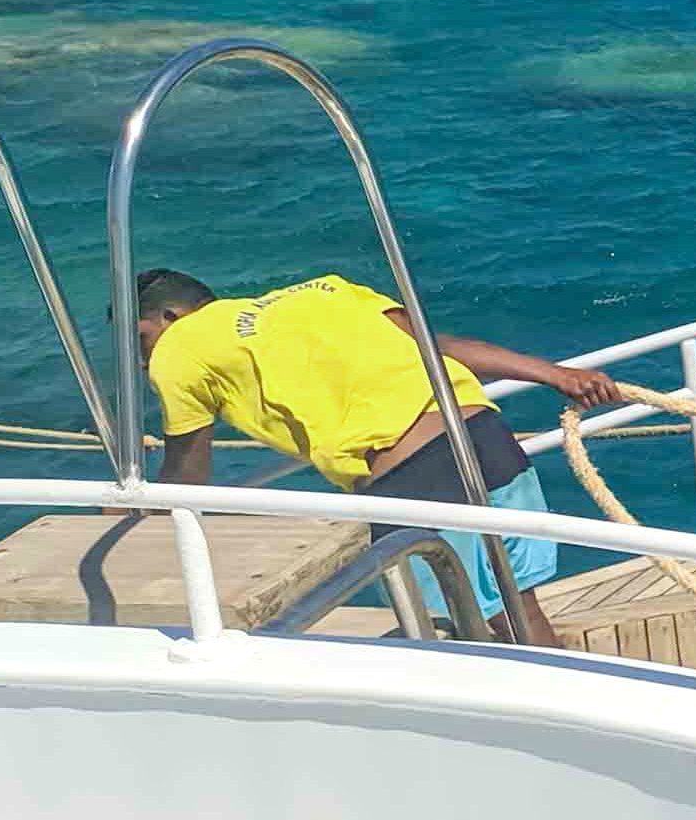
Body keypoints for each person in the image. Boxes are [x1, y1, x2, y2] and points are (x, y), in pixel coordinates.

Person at [132, 269, 620, 646]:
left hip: (413, 474)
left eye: (141, 339)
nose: (141, 358)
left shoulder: (178, 349)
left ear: (170, 317)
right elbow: (435, 345)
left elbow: (188, 466)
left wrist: (143, 509)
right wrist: (556, 374)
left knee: (453, 638)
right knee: (520, 611)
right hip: (484, 436)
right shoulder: (323, 290)